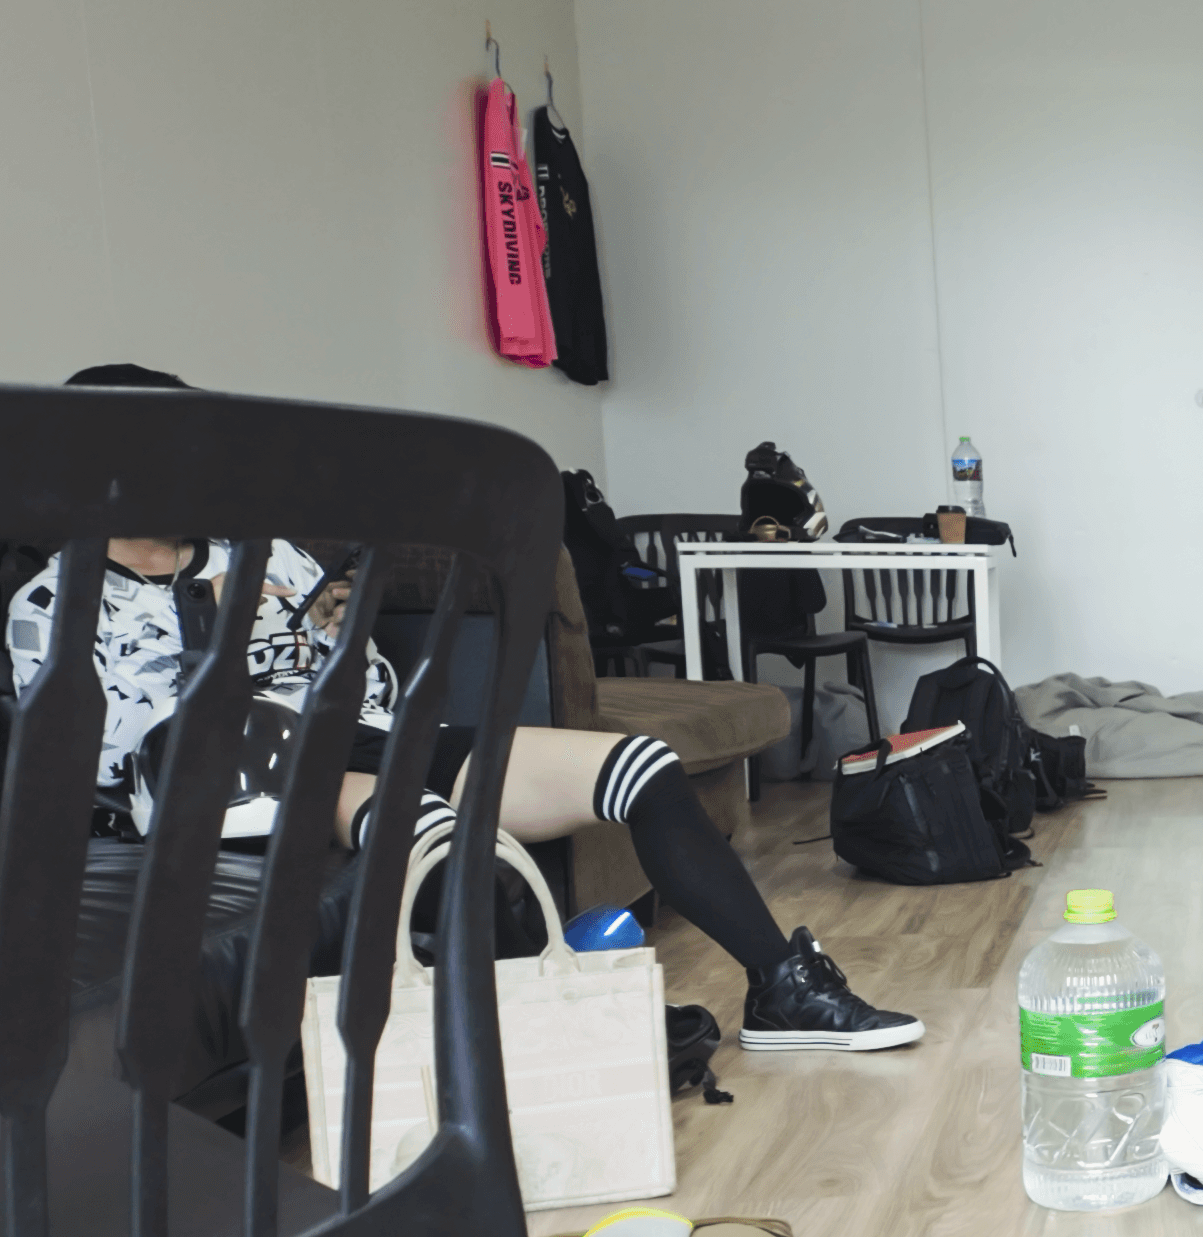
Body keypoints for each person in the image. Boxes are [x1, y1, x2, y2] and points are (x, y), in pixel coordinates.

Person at [5, 364, 920, 1053]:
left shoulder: (266, 552)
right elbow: (99, 762)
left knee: (636, 767)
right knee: (395, 804)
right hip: (209, 786)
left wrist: (331, 650)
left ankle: (781, 988)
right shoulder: (52, 602)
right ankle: (571, 1017)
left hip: (347, 743)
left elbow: (363, 677)